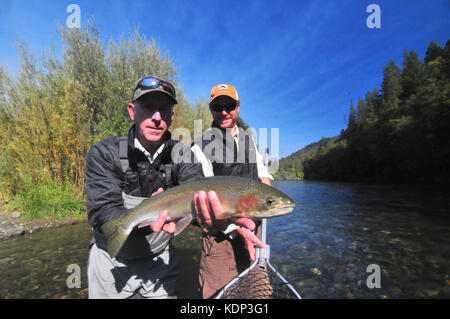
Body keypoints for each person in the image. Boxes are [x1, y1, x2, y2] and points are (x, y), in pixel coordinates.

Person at [85, 76, 205, 299]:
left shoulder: (183, 154)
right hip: (111, 262)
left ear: (172, 116)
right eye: (148, 107)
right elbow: (102, 212)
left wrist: (225, 219)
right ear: (132, 111)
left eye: (164, 109)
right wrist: (149, 221)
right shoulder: (105, 153)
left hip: (160, 263)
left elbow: (198, 195)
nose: (156, 117)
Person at [192, 83, 273, 299]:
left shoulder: (249, 139)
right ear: (212, 109)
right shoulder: (200, 147)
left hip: (253, 231)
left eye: (230, 105)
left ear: (238, 107)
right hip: (220, 238)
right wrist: (238, 227)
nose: (224, 111)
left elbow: (262, 170)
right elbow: (206, 202)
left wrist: (267, 189)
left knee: (257, 295)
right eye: (218, 106)